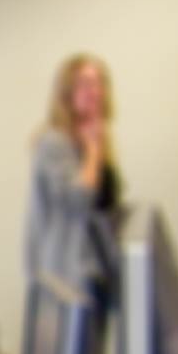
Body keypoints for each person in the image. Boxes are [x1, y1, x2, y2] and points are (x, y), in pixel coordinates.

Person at [25, 54, 122, 298]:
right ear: (67, 92)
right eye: (85, 84)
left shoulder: (93, 141)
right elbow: (78, 199)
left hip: (97, 268)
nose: (95, 92)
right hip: (68, 273)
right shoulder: (55, 142)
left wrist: (95, 147)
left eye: (99, 83)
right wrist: (93, 151)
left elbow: (107, 201)